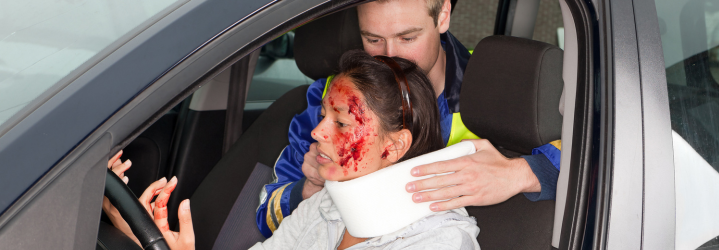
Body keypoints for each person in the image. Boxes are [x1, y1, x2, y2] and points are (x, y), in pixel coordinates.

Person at [107, 51, 480, 250]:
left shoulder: (440, 242)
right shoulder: (326, 204)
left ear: (395, 145)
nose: (316, 130)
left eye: (342, 122)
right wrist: (134, 232)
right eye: (322, 116)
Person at [258, 0, 562, 238]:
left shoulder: (496, 93)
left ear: (443, 15)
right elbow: (267, 213)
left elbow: (601, 158)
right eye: (373, 39)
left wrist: (522, 173)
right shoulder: (328, 101)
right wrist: (308, 189)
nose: (390, 57)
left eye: (407, 37)